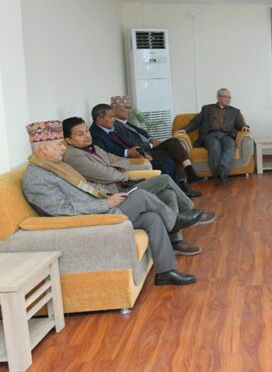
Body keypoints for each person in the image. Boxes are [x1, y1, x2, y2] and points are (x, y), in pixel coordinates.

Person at [22, 120, 200, 286]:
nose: (64, 148)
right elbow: (63, 210)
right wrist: (106, 203)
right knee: (141, 196)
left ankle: (165, 272)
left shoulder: (56, 167)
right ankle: (174, 221)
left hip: (99, 208)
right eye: (59, 144)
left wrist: (109, 195)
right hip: (93, 219)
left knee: (152, 218)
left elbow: (85, 188)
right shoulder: (36, 179)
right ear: (43, 148)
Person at [62, 117, 215, 256]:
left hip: (126, 184)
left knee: (168, 193)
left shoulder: (93, 147)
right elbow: (107, 175)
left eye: (86, 131)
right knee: (164, 179)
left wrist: (115, 167)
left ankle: (175, 241)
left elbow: (117, 160)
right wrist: (119, 172)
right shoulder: (74, 156)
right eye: (80, 134)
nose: (87, 135)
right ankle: (189, 211)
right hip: (118, 194)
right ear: (68, 140)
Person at [111, 95, 204, 198]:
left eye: (130, 107)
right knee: (174, 155)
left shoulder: (126, 123)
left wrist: (151, 139)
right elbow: (131, 143)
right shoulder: (115, 126)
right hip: (143, 152)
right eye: (126, 108)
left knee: (174, 142)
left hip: (149, 147)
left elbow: (143, 133)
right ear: (115, 109)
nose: (129, 110)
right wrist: (150, 144)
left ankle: (185, 181)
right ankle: (184, 185)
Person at [89, 103, 178, 184]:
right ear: (99, 120)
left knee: (169, 161)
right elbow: (107, 155)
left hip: (136, 155)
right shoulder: (95, 134)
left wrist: (142, 152)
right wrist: (127, 152)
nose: (113, 120)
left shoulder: (112, 127)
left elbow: (129, 142)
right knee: (165, 165)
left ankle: (178, 189)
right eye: (110, 117)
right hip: (124, 162)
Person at [176, 88, 250, 185]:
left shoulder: (235, 111)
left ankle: (222, 172)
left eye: (229, 97)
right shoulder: (207, 109)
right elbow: (196, 121)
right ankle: (219, 174)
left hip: (227, 135)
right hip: (211, 135)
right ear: (218, 98)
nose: (228, 99)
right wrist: (185, 129)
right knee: (214, 147)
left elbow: (240, 123)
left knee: (230, 146)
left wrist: (244, 126)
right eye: (225, 97)